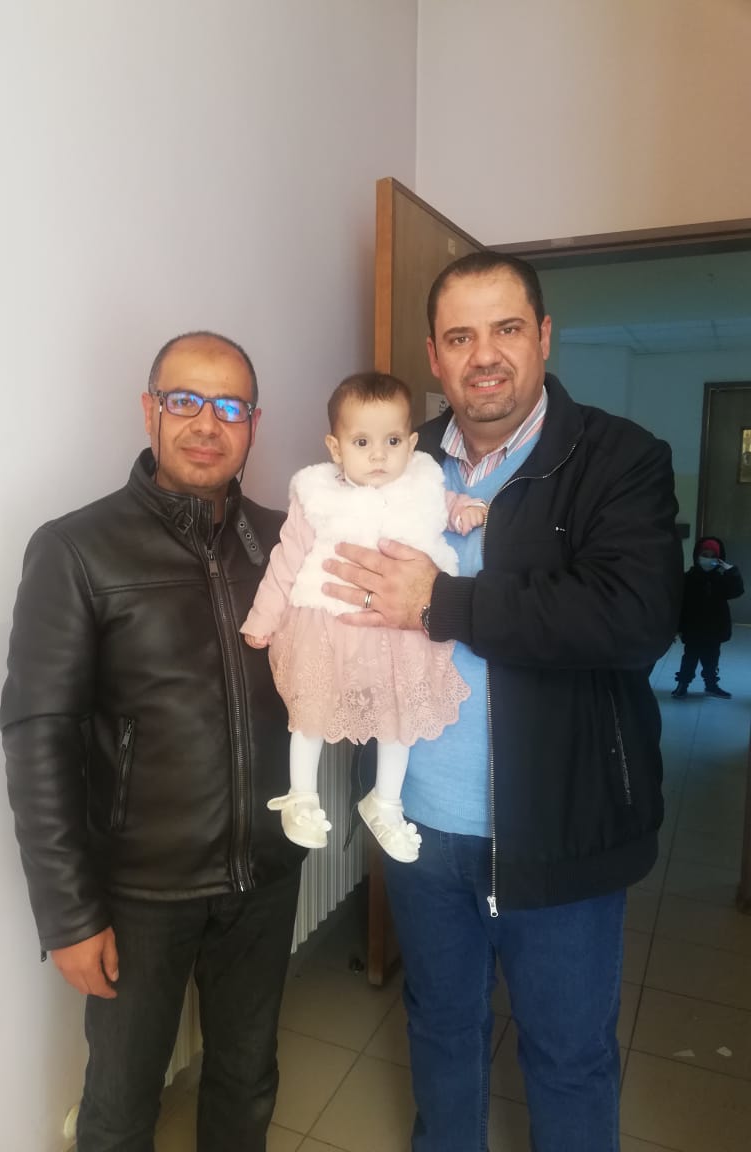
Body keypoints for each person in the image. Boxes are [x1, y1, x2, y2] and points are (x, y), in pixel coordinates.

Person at [320, 252, 684, 1152]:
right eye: (460, 337)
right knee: (441, 1028)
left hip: (562, 829)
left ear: (544, 337)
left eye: (507, 328)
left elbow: (634, 617)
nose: (484, 355)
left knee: (567, 1056)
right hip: (419, 826)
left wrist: (443, 603)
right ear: (434, 358)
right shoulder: (396, 461)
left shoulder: (620, 458)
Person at [0, 331, 306, 1152]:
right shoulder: (76, 548)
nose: (207, 423)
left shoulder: (286, 543)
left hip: (264, 875)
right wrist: (68, 914)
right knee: (121, 1103)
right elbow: (38, 737)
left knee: (247, 1078)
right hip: (140, 892)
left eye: (230, 406)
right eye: (185, 400)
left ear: (254, 423)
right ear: (150, 411)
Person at [241, 372, 485, 863]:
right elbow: (285, 560)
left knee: (399, 720)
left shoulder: (422, 481)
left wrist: (462, 511)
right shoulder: (315, 494)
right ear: (335, 448)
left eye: (392, 441)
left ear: (411, 444)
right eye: (361, 442)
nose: (378, 455)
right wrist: (262, 618)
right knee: (309, 713)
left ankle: (386, 803)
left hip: (400, 634)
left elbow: (444, 504)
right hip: (326, 628)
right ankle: (301, 795)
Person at [672, 535, 744, 698]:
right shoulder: (688, 578)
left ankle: (711, 685)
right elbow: (679, 604)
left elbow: (737, 591)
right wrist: (676, 628)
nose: (708, 559)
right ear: (697, 555)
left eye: (713, 556)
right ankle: (683, 684)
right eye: (705, 555)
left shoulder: (722, 580)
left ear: (719, 559)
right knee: (689, 658)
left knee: (711, 659)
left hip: (714, 629)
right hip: (692, 628)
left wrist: (731, 571)